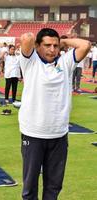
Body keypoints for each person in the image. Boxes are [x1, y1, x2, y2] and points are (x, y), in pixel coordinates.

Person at [19, 28, 91, 200]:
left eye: (55, 46)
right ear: (37, 46)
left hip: (59, 133)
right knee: (30, 187)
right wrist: (40, 42)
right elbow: (26, 38)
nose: (52, 49)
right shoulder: (30, 61)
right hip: (33, 133)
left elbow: (86, 45)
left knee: (53, 186)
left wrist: (64, 42)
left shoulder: (65, 62)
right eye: (47, 45)